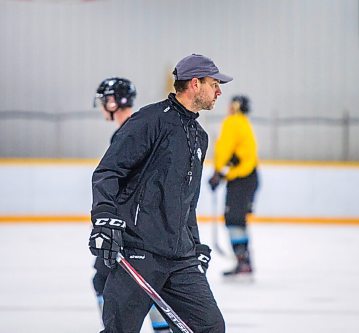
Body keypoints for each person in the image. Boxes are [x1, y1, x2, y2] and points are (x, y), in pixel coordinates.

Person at [88, 54, 231, 333]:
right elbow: (109, 171)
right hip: (140, 252)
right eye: (213, 83)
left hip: (181, 259)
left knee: (211, 327)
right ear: (194, 84)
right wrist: (104, 217)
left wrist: (196, 244)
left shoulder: (199, 136)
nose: (219, 91)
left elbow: (186, 203)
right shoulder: (150, 120)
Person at [92, 77, 172, 333]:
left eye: (105, 100)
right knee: (143, 285)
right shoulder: (139, 127)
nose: (103, 105)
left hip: (130, 228)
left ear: (114, 101)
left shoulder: (129, 131)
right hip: (143, 225)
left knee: (107, 282)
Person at [208, 95, 259, 278]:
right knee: (238, 220)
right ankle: (244, 261)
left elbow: (228, 151)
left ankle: (243, 261)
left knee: (234, 220)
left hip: (241, 179)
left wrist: (219, 174)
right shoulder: (244, 123)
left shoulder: (233, 122)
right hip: (247, 178)